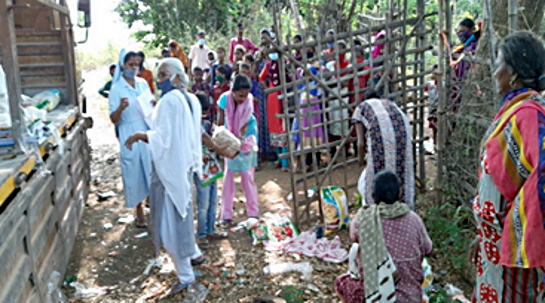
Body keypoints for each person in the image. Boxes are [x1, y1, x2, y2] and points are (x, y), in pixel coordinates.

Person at [470, 30, 545, 303]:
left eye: (498, 64)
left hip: (513, 256)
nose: (494, 73)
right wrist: (484, 235)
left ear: (512, 73)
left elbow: (538, 181)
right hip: (495, 249)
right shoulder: (516, 110)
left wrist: (512, 237)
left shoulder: (528, 115)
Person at [124, 58, 207, 294]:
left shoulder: (170, 101)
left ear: (175, 76)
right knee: (184, 214)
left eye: (162, 75)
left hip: (171, 170)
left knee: (171, 227)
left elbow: (164, 137)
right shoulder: (190, 98)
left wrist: (141, 134)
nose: (159, 80)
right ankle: (194, 254)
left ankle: (185, 275)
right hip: (185, 167)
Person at [335, 170, 432, 303]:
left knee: (341, 283)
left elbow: (354, 238)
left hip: (375, 295)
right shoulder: (414, 219)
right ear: (399, 193)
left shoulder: (364, 218)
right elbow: (427, 248)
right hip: (410, 296)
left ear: (373, 195)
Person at [108, 49, 152, 227]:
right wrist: (120, 108)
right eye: (130, 64)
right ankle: (139, 210)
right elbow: (113, 119)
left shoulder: (142, 84)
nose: (134, 68)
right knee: (133, 170)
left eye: (136, 65)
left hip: (145, 128)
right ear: (122, 65)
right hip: (128, 130)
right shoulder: (117, 89)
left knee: (149, 166)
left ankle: (152, 203)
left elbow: (149, 106)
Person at [352, 90, 415, 208]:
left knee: (375, 174)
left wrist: (360, 160)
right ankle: (404, 207)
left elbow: (360, 144)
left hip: (380, 137)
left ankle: (373, 210)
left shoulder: (361, 108)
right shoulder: (390, 104)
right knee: (401, 169)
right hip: (403, 134)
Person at [217, 74, 259, 225]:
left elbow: (245, 124)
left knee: (247, 176)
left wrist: (239, 142)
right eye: (240, 95)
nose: (243, 98)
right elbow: (220, 121)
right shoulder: (223, 99)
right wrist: (221, 137)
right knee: (228, 176)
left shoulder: (249, 101)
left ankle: (253, 212)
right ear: (232, 91)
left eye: (245, 95)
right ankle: (226, 213)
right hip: (228, 138)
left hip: (246, 137)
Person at [193, 92, 228, 247]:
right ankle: (202, 234)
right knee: (203, 204)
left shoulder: (205, 123)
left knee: (212, 201)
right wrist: (218, 148)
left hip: (211, 166)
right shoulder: (192, 124)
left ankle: (210, 230)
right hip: (201, 167)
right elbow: (205, 139)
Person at [259, 45, 291, 171]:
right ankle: (283, 161)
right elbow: (261, 78)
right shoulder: (283, 64)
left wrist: (268, 88)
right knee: (278, 127)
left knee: (279, 127)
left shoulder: (274, 64)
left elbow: (261, 78)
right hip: (278, 95)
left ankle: (281, 159)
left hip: (275, 95)